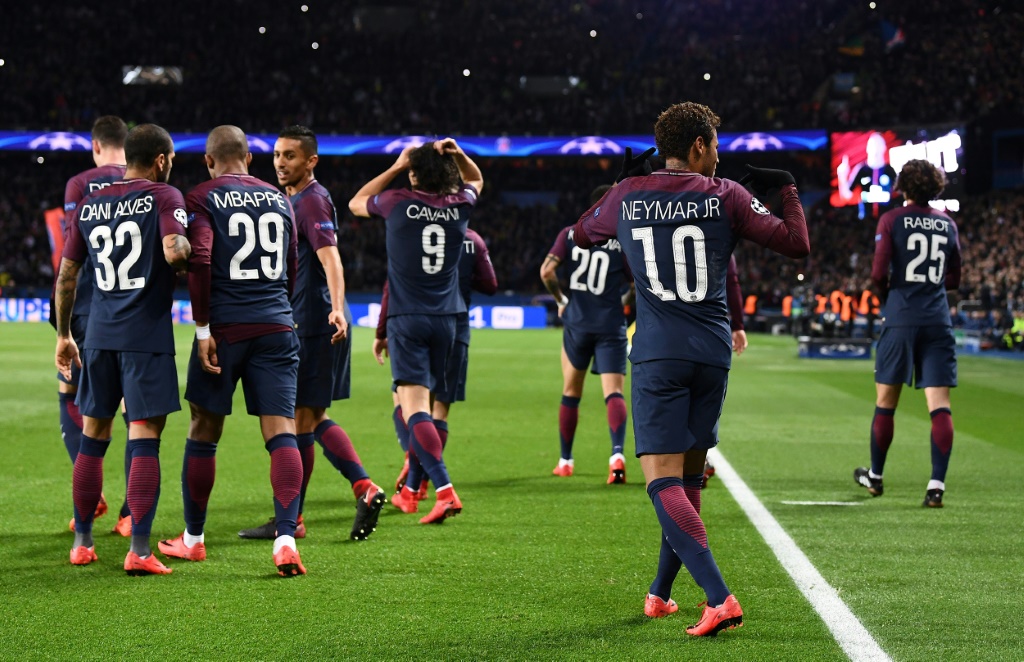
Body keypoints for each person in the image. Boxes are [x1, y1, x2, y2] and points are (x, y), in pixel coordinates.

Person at [571, 101, 809, 635]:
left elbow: (581, 233)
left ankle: (719, 598)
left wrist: (619, 187)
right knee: (688, 480)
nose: (719, 157)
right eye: (716, 146)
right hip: (712, 353)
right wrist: (788, 187)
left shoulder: (629, 194)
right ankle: (659, 593)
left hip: (659, 353)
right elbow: (797, 243)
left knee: (662, 483)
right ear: (699, 145)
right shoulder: (729, 195)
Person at [156, 126, 306, 577]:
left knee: (204, 429)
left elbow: (200, 259)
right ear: (250, 159)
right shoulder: (279, 199)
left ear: (208, 160)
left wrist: (203, 328)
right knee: (282, 430)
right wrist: (280, 311)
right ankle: (285, 538)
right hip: (277, 324)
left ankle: (193, 540)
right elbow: (293, 264)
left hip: (225, 328)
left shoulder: (201, 197)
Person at [236, 126, 386, 542]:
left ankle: (295, 517)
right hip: (312, 320)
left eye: (290, 156)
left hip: (315, 322)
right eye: (277, 155)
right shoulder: (294, 199)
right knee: (312, 417)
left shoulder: (312, 200)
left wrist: (336, 308)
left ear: (311, 161)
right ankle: (360, 488)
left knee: (300, 421)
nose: (281, 163)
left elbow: (331, 259)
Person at [56, 123, 191, 575]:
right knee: (145, 437)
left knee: (93, 438)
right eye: (171, 159)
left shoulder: (90, 203)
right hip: (145, 338)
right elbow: (176, 253)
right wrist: (192, 248)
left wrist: (64, 335)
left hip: (98, 334)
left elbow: (68, 275)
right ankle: (139, 550)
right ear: (160, 159)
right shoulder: (164, 196)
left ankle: (82, 542)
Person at [349, 138, 483, 524]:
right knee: (428, 406)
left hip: (408, 318)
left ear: (412, 175)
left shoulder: (396, 201)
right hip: (448, 320)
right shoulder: (460, 204)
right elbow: (477, 179)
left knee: (413, 408)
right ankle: (415, 486)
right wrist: (458, 155)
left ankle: (443, 490)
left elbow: (357, 202)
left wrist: (395, 166)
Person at [854, 159, 961, 508]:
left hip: (901, 317)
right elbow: (954, 278)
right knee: (940, 406)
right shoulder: (948, 223)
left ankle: (876, 476)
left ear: (903, 186)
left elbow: (877, 273)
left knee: (886, 403)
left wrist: (893, 297)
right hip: (937, 320)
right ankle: (936, 486)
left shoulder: (891, 220)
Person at [54, 115, 134, 537]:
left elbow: (73, 249)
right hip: (135, 307)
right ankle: (130, 513)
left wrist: (63, 325)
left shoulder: (81, 184)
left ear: (96, 145)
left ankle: (90, 500)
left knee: (74, 398)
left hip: (87, 307)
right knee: (135, 411)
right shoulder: (144, 182)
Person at [380, 226, 498, 512]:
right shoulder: (472, 239)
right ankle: (416, 484)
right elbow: (491, 285)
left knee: (408, 403)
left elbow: (391, 283)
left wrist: (381, 329)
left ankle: (413, 466)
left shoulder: (415, 231)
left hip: (418, 320)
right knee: (439, 412)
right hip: (456, 328)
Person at [540, 184, 635, 484]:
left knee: (571, 392)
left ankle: (565, 461)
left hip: (577, 324)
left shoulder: (570, 234)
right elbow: (636, 285)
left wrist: (561, 301)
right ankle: (617, 457)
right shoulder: (623, 240)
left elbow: (546, 272)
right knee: (614, 393)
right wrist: (623, 302)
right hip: (610, 325)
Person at [701, 254, 747, 488]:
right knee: (701, 404)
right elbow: (732, 281)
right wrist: (737, 324)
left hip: (667, 331)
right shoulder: (720, 236)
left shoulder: (660, 233)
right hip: (711, 333)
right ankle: (699, 460)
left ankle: (681, 464)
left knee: (672, 404)